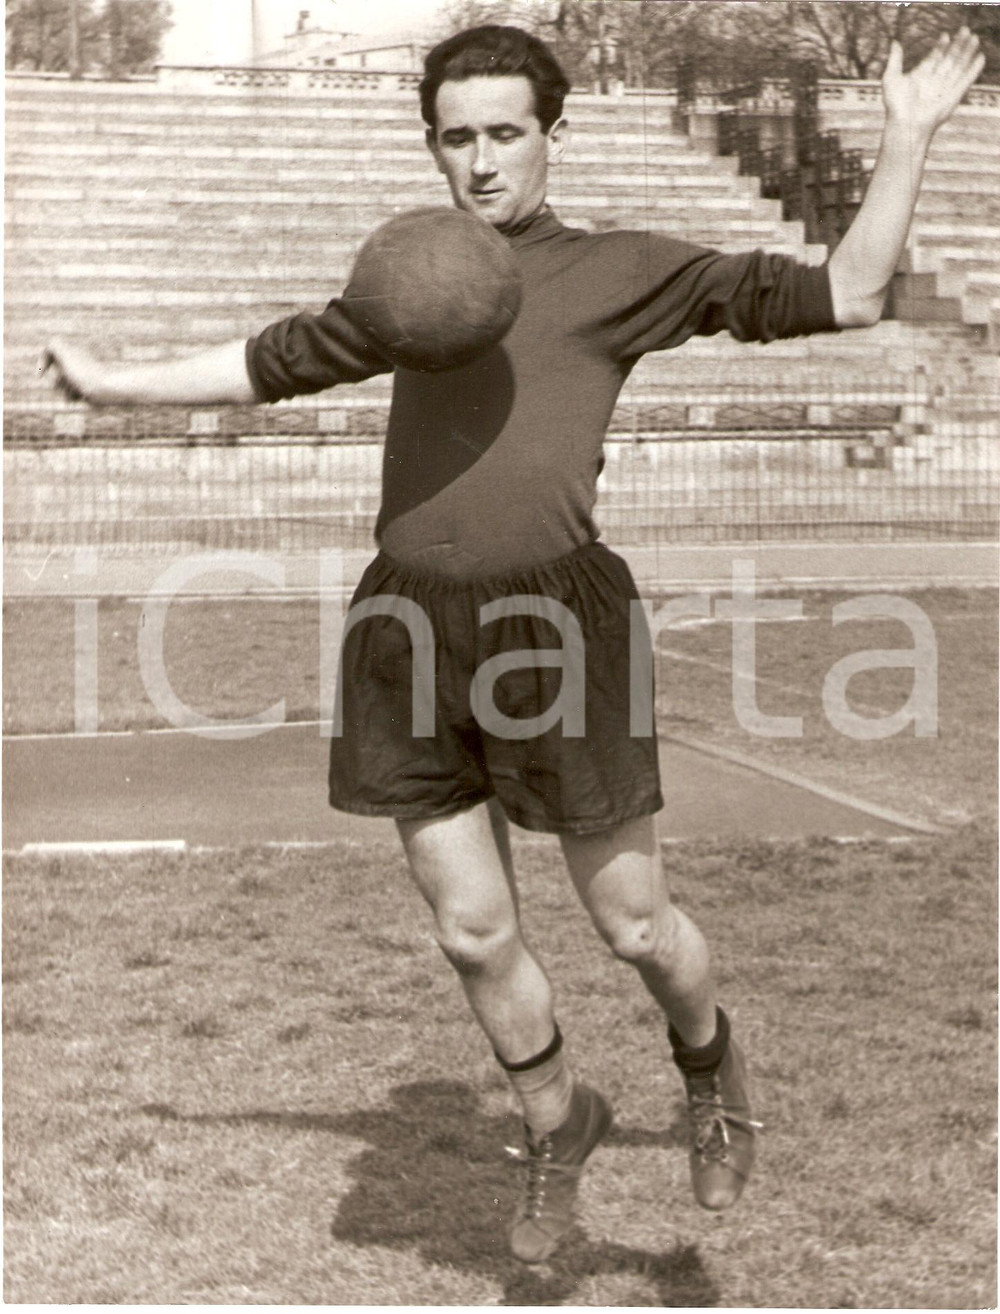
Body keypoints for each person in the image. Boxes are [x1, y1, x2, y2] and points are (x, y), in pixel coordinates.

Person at [46, 23, 983, 1265]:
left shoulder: (616, 271)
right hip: (406, 626)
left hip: (559, 623)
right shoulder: (412, 277)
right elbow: (267, 362)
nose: (481, 161)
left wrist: (906, 136)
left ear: (549, 133)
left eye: (504, 132)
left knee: (634, 925)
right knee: (472, 931)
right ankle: (557, 1122)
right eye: (456, 136)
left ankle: (707, 1066)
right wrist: (110, 383)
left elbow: (851, 297)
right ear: (431, 147)